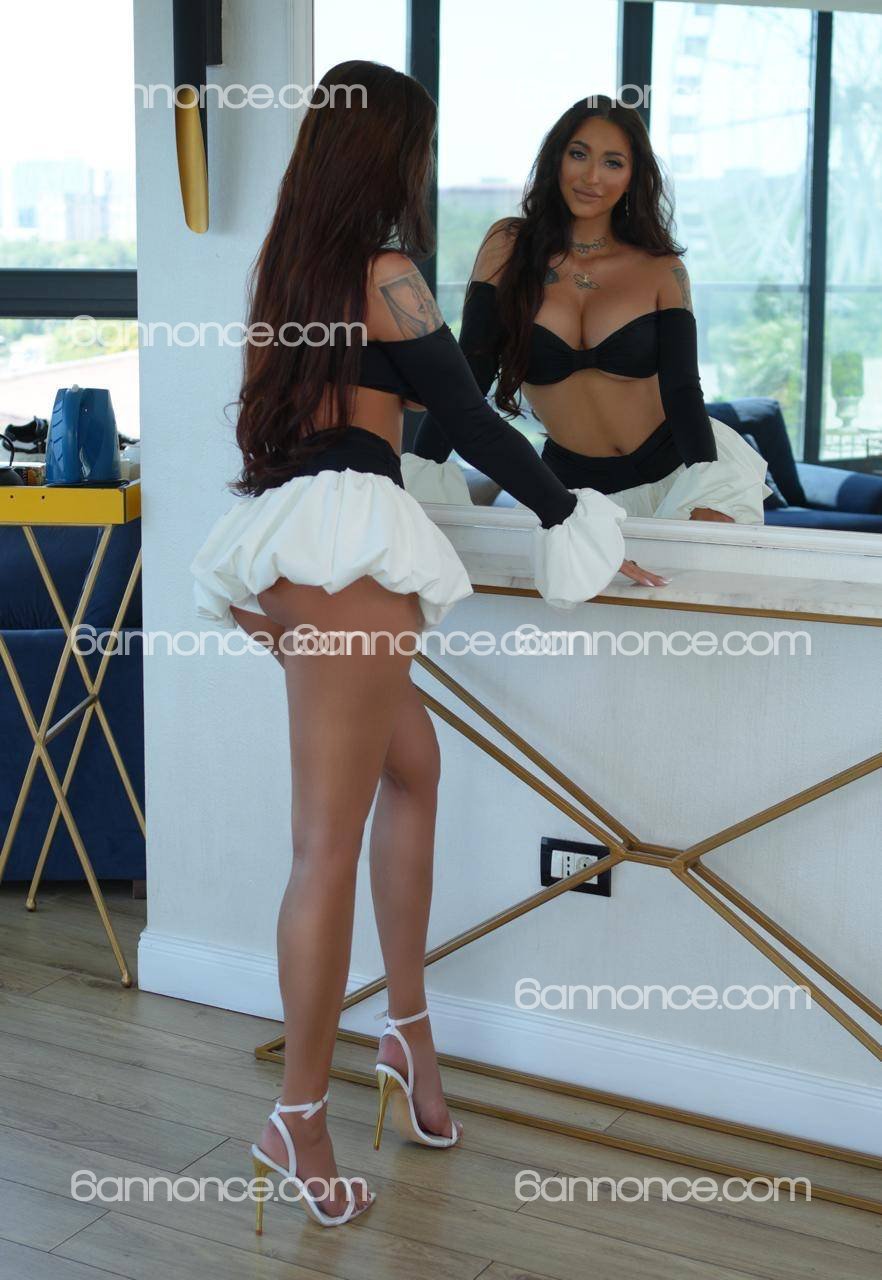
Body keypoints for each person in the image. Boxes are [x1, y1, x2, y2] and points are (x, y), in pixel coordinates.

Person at [189, 62, 668, 1231]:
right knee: (324, 845)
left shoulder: (286, 275)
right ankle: (299, 1116)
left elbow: (281, 434)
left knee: (416, 770)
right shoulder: (386, 273)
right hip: (348, 565)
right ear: (392, 157)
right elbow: (465, 416)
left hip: (296, 557)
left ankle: (406, 1034)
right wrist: (577, 521)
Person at [410, 94, 772, 523]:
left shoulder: (661, 269)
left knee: (702, 564)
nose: (592, 176)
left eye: (613, 163)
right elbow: (470, 374)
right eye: (579, 154)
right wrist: (420, 471)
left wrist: (704, 483)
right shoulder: (508, 246)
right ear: (556, 159)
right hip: (570, 493)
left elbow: (683, 393)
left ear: (633, 177)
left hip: (674, 474)